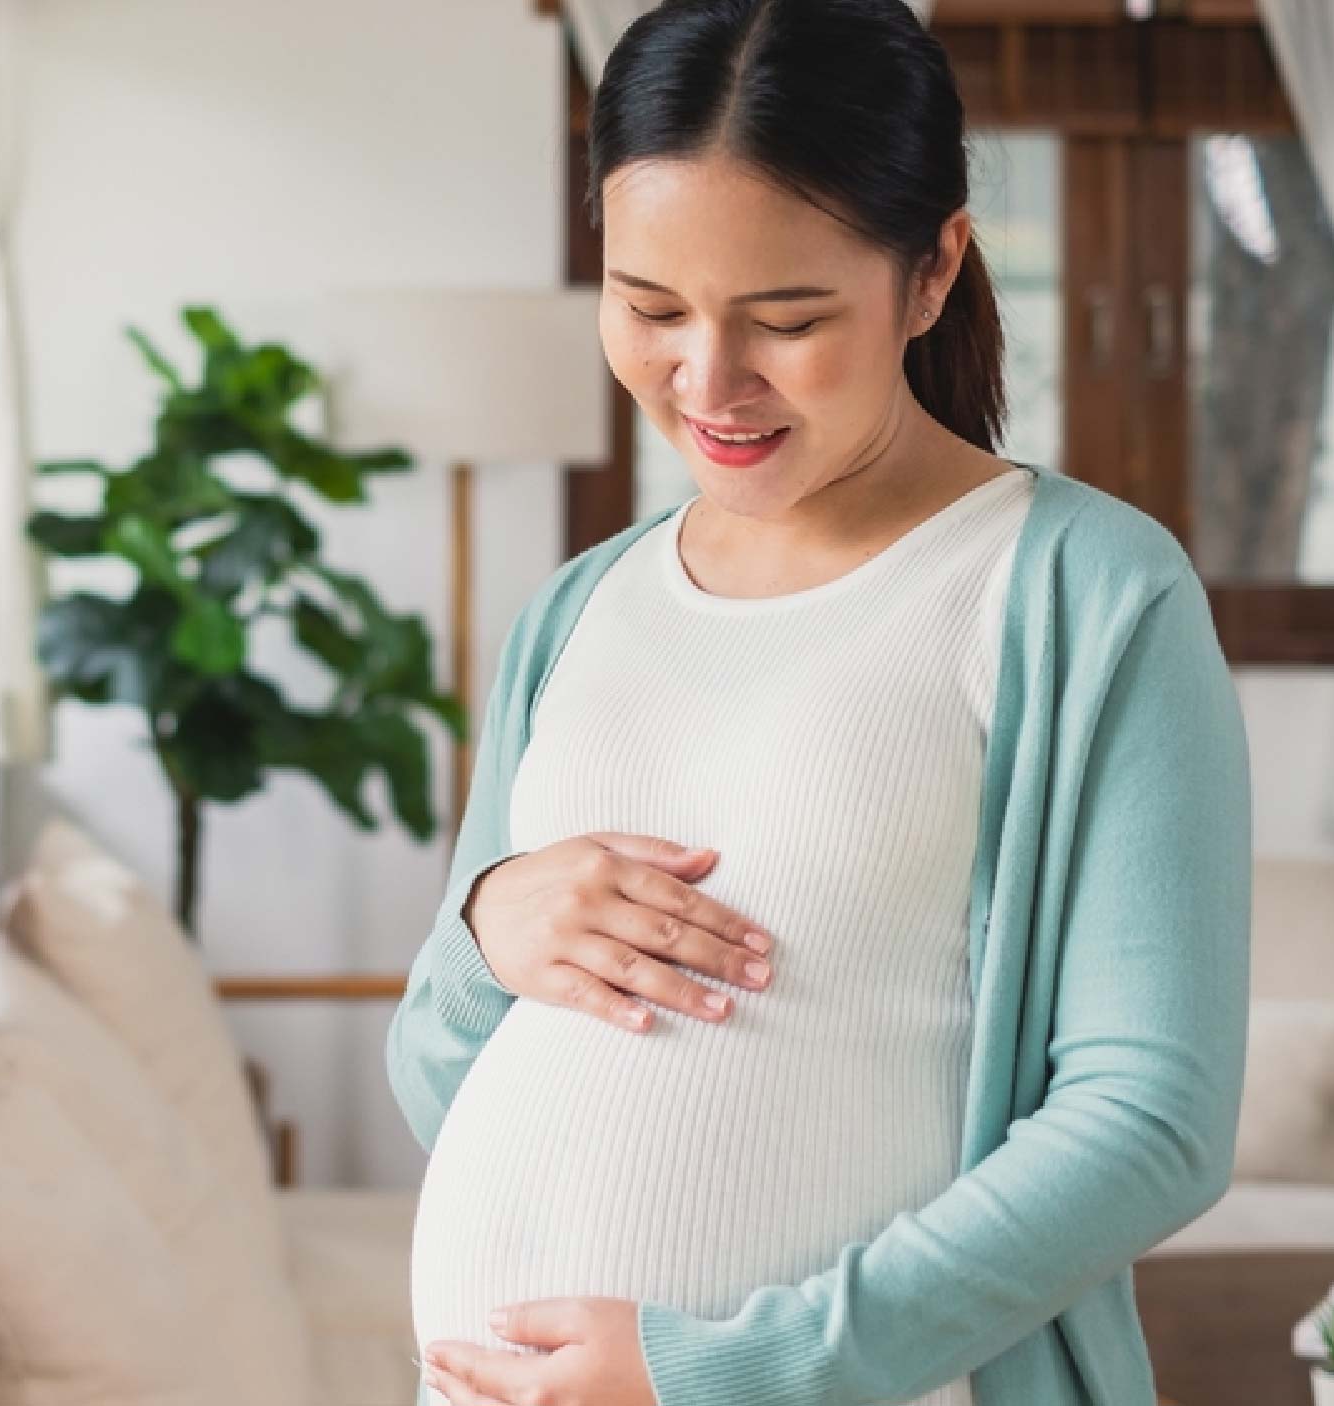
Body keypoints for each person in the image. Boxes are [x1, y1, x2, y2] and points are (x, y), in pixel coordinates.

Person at [385, 1, 1254, 1404]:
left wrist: (723, 1367)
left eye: (786, 320)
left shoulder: (1084, 594)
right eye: (650, 305)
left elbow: (1153, 1123)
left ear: (932, 272)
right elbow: (439, 1076)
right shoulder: (576, 611)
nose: (708, 380)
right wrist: (492, 926)